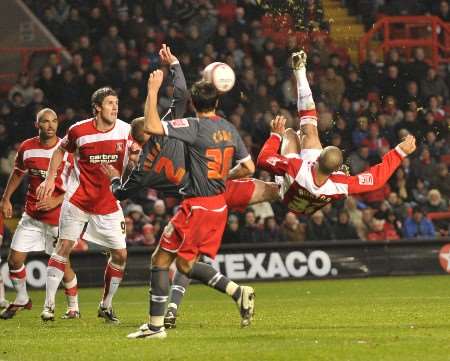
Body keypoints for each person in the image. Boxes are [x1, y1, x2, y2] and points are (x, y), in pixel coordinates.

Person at [127, 61, 256, 339]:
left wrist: (152, 90)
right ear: (218, 101)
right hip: (217, 205)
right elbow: (249, 168)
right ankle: (235, 293)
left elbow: (150, 125)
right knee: (172, 262)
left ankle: (158, 326)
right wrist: (223, 176)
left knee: (171, 263)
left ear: (195, 105)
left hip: (197, 206)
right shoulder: (229, 128)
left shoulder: (194, 126)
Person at [257, 51, 417, 217]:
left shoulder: (296, 167)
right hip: (312, 200)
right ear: (337, 169)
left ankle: (300, 74)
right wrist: (400, 153)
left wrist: (275, 135)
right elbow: (376, 180)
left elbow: (262, 159)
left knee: (290, 133)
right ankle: (300, 72)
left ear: (317, 159)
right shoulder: (340, 183)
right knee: (309, 131)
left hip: (287, 195)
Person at [36, 88, 132, 323]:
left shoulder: (125, 130)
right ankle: (48, 306)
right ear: (97, 107)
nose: (115, 107)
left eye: (116, 103)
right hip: (78, 200)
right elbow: (60, 150)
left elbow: (135, 157)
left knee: (120, 255)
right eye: (110, 103)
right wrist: (50, 178)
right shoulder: (78, 130)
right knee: (64, 247)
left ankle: (106, 306)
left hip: (108, 202)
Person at [0, 108, 79, 320]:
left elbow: (77, 185)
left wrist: (55, 200)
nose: (51, 125)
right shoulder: (27, 148)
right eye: (45, 121)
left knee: (64, 265)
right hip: (32, 217)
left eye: (54, 120)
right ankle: (23, 298)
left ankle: (73, 307)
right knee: (14, 260)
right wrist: (6, 198)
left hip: (57, 219)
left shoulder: (67, 151)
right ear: (38, 125)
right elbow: (17, 173)